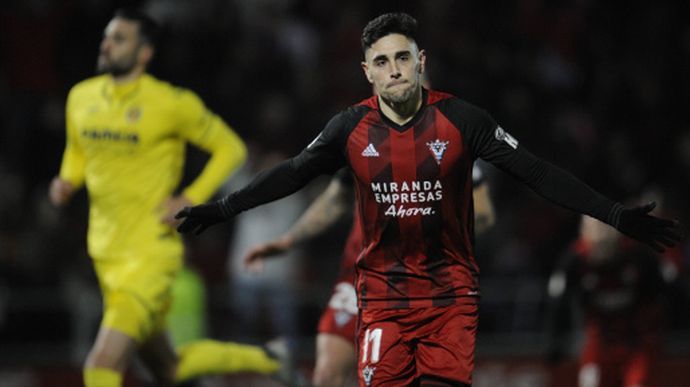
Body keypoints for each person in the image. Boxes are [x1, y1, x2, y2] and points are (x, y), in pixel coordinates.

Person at [176, 12, 682, 387]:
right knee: (332, 373)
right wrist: (222, 209)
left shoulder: (464, 121)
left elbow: (537, 172)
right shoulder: (349, 128)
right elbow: (289, 175)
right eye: (381, 61)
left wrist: (614, 214)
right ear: (367, 73)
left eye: (402, 57)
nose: (393, 69)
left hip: (449, 298)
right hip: (382, 298)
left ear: (420, 63)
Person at [48, 8, 287, 387]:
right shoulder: (81, 97)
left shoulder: (171, 104)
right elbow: (78, 150)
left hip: (150, 256)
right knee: (168, 369)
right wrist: (66, 179)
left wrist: (190, 198)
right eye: (107, 36)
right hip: (105, 253)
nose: (106, 44)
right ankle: (271, 359)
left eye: (119, 38)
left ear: (144, 53)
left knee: (101, 364)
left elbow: (230, 148)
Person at [242, 164, 494, 387]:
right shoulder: (361, 137)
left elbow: (483, 215)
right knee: (327, 375)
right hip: (360, 279)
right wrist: (288, 241)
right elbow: (335, 200)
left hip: (423, 285)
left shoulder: (453, 145)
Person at [547, 215, 674, 387]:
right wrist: (556, 341)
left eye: (605, 228)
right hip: (599, 341)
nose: (601, 236)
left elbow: (663, 294)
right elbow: (558, 301)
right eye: (595, 229)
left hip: (637, 342)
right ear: (584, 233)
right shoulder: (573, 260)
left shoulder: (639, 256)